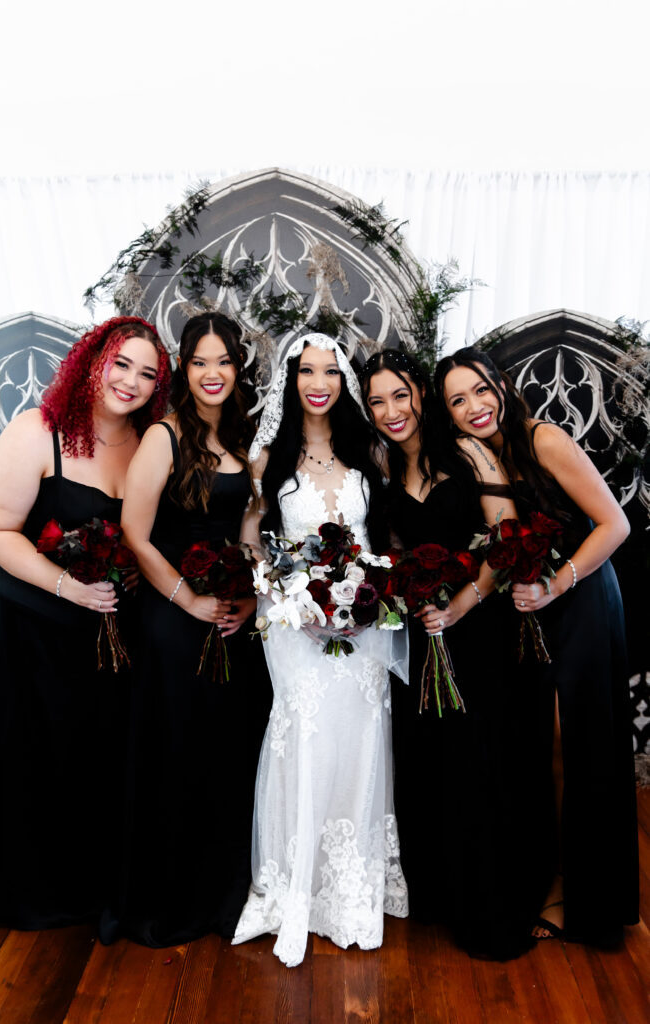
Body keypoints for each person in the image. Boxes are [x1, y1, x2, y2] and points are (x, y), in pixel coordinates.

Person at [0, 316, 170, 929]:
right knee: (32, 756)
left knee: (92, 758)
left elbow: (141, 534)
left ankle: (89, 892)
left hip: (103, 631)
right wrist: (65, 586)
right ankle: (30, 894)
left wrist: (131, 569)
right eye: (121, 363)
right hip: (27, 624)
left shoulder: (150, 443)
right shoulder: (41, 430)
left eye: (147, 374)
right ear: (93, 362)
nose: (130, 381)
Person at [434, 345, 639, 948]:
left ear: (501, 384)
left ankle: (584, 895)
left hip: (580, 598)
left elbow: (615, 525)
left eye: (479, 390)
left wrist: (557, 584)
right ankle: (551, 879)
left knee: (573, 743)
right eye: (457, 401)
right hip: (532, 611)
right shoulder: (476, 456)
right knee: (541, 749)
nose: (474, 407)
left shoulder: (543, 439)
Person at [231, 333, 408, 968]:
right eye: (306, 370)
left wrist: (367, 595)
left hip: (363, 626)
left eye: (331, 371)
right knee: (304, 736)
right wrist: (294, 598)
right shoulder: (266, 459)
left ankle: (351, 892)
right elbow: (254, 544)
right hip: (293, 627)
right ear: (290, 379)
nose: (319, 381)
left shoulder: (369, 454)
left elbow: (381, 539)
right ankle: (295, 888)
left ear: (344, 381)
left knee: (359, 740)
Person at [99, 312, 270, 947]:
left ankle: (222, 896)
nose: (212, 373)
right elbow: (135, 535)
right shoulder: (164, 438)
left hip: (232, 618)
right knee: (176, 753)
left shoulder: (247, 438)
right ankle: (168, 901)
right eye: (199, 361)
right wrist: (187, 602)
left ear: (237, 369)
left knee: (230, 756)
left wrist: (250, 597)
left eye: (223, 361)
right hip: (172, 621)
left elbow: (251, 530)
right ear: (185, 370)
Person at [361, 347, 538, 960]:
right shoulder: (383, 470)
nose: (391, 411)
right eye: (377, 401)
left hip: (476, 631)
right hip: (421, 635)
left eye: (401, 395)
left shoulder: (466, 453)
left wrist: (463, 601)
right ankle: (439, 895)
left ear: (422, 396)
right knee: (431, 763)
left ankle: (488, 907)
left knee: (478, 764)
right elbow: (388, 553)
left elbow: (506, 530)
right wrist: (404, 598)